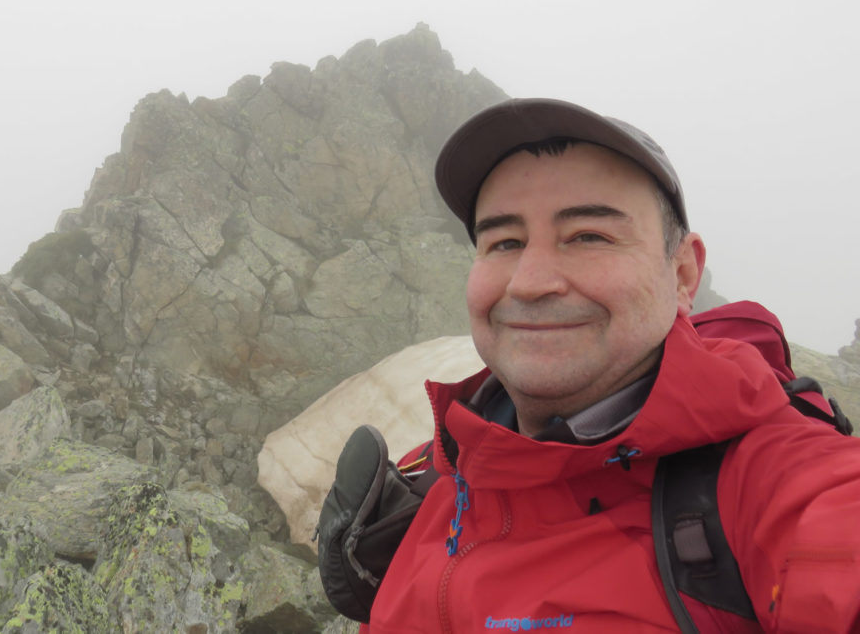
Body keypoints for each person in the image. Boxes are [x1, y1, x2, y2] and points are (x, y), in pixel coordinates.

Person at [361, 99, 860, 632]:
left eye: (589, 237)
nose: (530, 282)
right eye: (504, 242)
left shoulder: (771, 480)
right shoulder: (444, 465)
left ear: (684, 275)